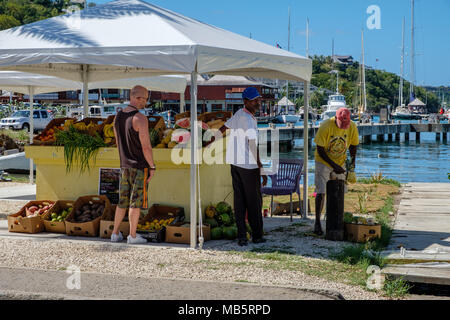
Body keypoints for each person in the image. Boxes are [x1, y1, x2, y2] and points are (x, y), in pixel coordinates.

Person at [214, 87, 268, 246]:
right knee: (254, 202)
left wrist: (211, 140)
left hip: (235, 163)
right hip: (247, 165)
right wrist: (261, 168)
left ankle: (242, 236)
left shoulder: (239, 113)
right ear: (245, 101)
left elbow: (224, 128)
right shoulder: (248, 119)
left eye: (258, 99)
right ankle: (257, 235)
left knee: (239, 201)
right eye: (254, 100)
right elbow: (252, 145)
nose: (257, 102)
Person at [111, 85, 156, 244]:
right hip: (139, 166)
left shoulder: (117, 117)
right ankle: (133, 235)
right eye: (144, 99)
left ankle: (115, 234)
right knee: (135, 202)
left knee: (122, 201)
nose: (145, 102)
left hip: (124, 165)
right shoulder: (140, 118)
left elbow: (118, 142)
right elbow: (146, 147)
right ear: (138, 98)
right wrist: (152, 166)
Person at [313, 107, 359, 235]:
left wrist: (352, 163)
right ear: (336, 118)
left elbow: (354, 145)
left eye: (346, 124)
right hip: (323, 161)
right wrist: (333, 165)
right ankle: (317, 221)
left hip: (341, 161)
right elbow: (320, 149)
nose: (344, 126)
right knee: (321, 191)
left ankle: (336, 220)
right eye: (342, 124)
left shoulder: (352, 127)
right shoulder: (326, 126)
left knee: (340, 192)